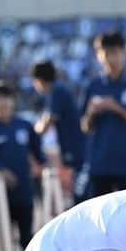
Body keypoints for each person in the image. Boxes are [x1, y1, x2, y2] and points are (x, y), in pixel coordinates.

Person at [0, 82, 45, 250]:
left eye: (7, 98)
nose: (3, 103)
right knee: (2, 243)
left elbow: (40, 155)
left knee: (27, 239)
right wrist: (0, 171)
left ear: (13, 101)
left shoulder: (25, 126)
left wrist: (42, 165)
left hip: (24, 192)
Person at [80, 31, 126, 198]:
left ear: (123, 53)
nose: (110, 59)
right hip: (100, 165)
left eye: (115, 53)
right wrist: (91, 112)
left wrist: (116, 108)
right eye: (105, 54)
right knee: (100, 219)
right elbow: (85, 127)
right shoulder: (93, 86)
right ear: (98, 56)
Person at [31, 61, 86, 203]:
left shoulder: (56, 92)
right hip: (76, 147)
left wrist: (33, 131)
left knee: (81, 194)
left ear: (39, 80)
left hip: (78, 148)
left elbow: (48, 122)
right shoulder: (58, 91)